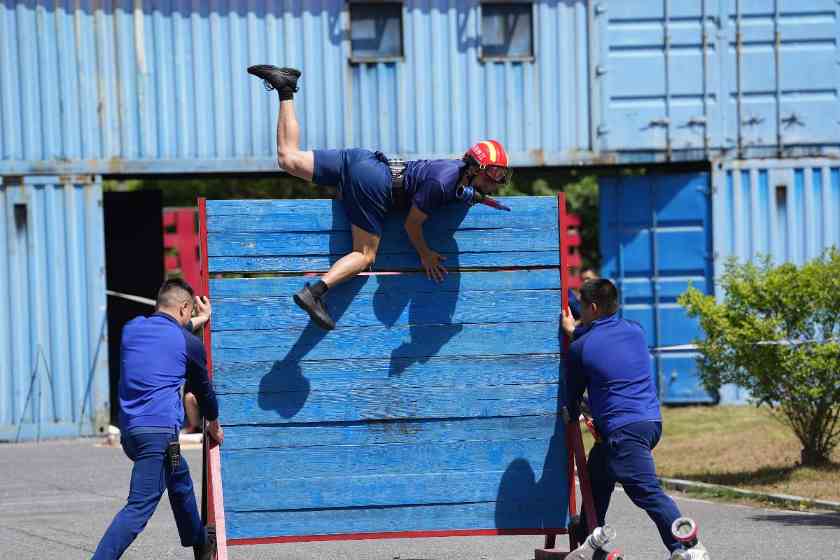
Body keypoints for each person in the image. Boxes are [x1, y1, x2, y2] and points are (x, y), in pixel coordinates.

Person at [247, 64, 513, 331]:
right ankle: (314, 292)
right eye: (494, 173)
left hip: (363, 161)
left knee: (288, 158)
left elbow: (454, 189)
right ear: (477, 168)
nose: (497, 181)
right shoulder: (442, 184)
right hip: (376, 184)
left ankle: (285, 87)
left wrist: (471, 195)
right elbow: (412, 224)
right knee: (364, 255)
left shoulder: (455, 173)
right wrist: (426, 254)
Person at [92, 279, 223, 560]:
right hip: (159, 436)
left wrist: (201, 319)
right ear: (185, 307)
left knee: (178, 477)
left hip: (134, 434)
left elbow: (172, 333)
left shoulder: (132, 330)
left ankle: (199, 541)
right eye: (189, 313)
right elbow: (204, 392)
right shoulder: (189, 344)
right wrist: (213, 421)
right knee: (138, 507)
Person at [561, 278, 687, 556]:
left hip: (623, 430)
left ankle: (687, 547)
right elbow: (601, 342)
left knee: (646, 491)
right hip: (650, 423)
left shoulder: (581, 348)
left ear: (592, 307)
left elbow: (572, 396)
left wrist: (569, 414)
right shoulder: (636, 330)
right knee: (597, 478)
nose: (579, 312)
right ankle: (588, 542)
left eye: (582, 307)